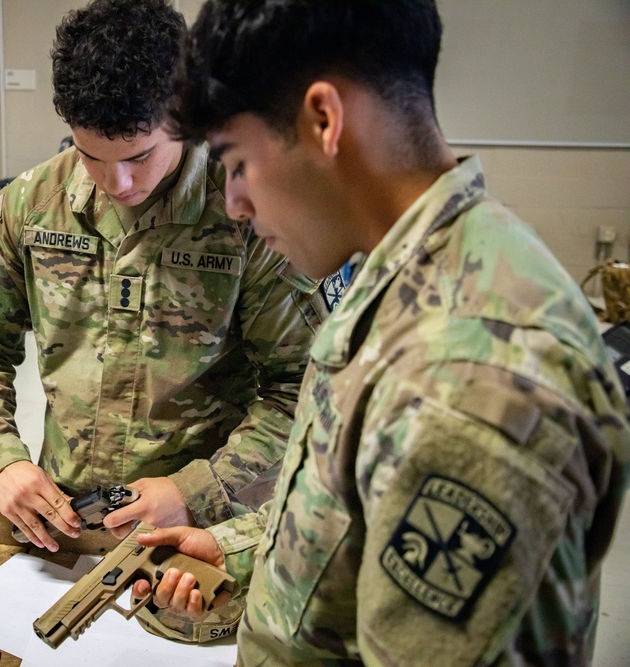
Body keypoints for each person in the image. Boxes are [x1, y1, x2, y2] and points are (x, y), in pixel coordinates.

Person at [137, 1, 630, 664]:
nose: (235, 204)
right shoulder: (392, 275)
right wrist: (245, 546)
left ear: (323, 120)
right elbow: (356, 506)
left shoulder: (465, 386)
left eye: (236, 162)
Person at [0, 0, 325, 643]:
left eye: (139, 156)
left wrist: (195, 489)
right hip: (63, 526)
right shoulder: (29, 207)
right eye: (91, 156)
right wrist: (0, 459)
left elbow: (300, 388)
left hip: (201, 540)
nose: (115, 182)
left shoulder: (251, 218)